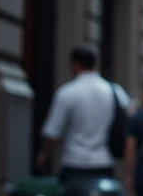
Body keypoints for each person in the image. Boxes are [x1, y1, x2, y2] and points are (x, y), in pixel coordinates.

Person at [36, 43, 129, 182]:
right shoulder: (114, 91)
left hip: (74, 162)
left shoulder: (67, 92)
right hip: (103, 162)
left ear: (75, 64)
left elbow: (53, 131)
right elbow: (130, 116)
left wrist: (44, 154)